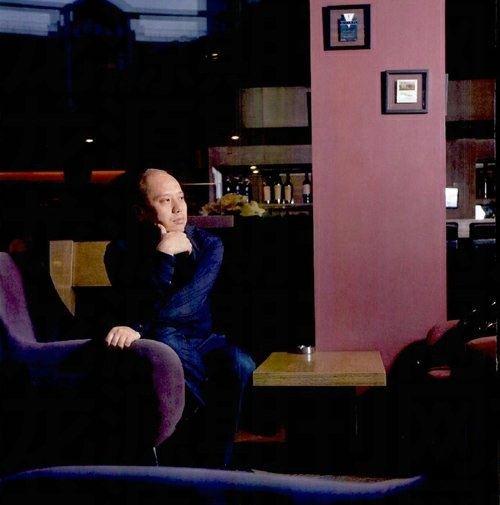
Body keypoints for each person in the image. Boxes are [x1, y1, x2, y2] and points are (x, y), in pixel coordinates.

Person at [103, 168, 255, 469]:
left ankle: (209, 464)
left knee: (240, 363)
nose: (178, 209)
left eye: (181, 198)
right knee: (165, 338)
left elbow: (187, 305)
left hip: (202, 341)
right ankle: (210, 466)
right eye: (165, 200)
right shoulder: (120, 251)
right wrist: (164, 255)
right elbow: (135, 298)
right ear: (141, 212)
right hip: (158, 341)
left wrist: (138, 325)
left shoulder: (209, 244)